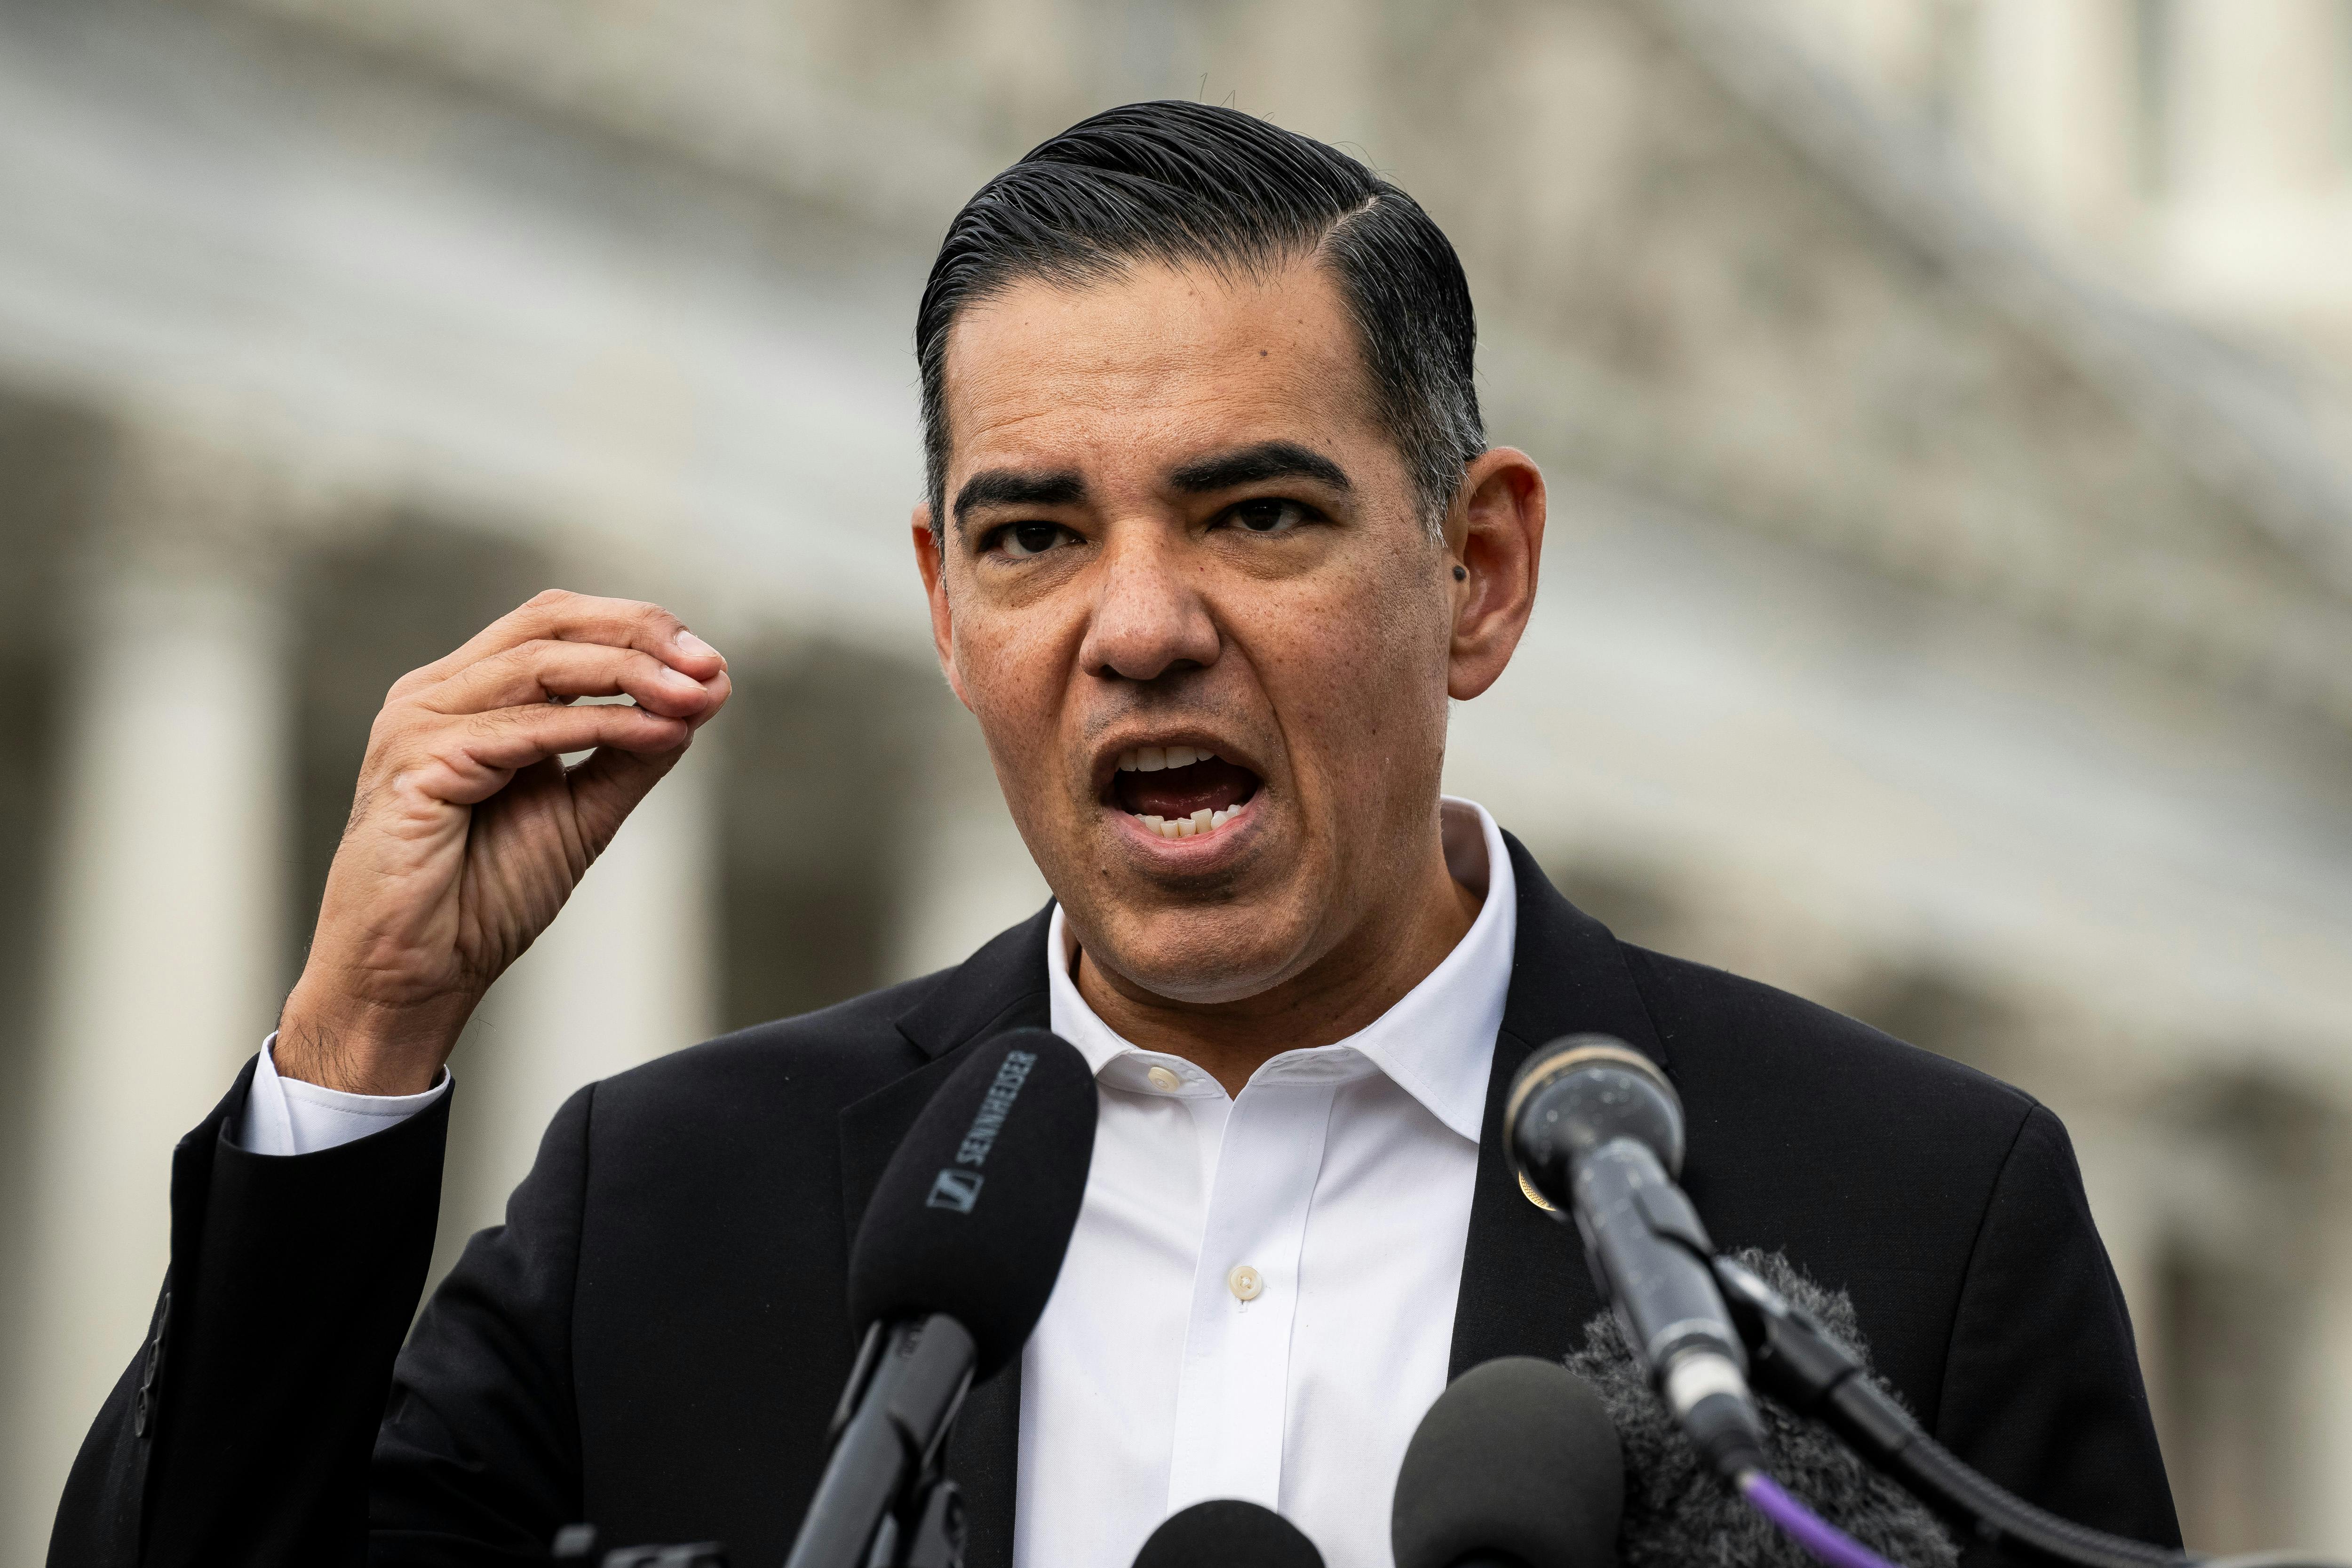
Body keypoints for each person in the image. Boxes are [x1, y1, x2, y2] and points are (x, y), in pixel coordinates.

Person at [52, 102, 2176, 1568]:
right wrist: (361, 1036)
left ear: (1477, 572)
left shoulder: (1915, 1222)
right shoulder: (674, 1202)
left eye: (1255, 513)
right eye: (1032, 537)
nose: (1138, 626)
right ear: (941, 605)